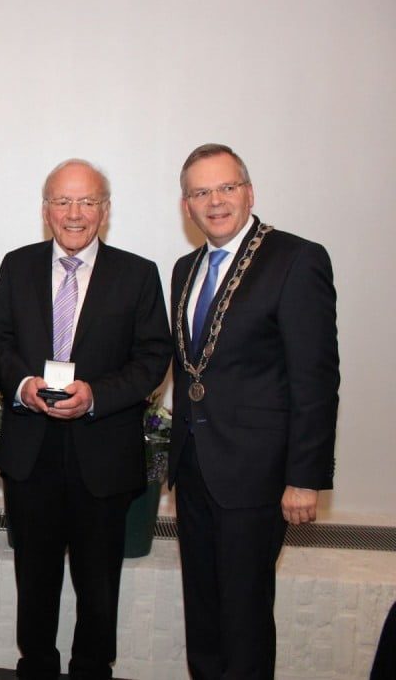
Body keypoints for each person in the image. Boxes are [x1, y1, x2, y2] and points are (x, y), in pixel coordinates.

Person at [0, 159, 172, 679]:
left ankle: (93, 670)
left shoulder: (138, 274)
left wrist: (96, 395)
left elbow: (151, 359)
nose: (75, 214)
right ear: (45, 209)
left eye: (87, 201)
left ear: (105, 210)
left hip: (103, 451)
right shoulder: (16, 265)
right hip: (32, 451)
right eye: (63, 201)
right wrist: (23, 386)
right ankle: (37, 667)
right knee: (35, 578)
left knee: (98, 585)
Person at [169, 143, 339, 679]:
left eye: (226, 187)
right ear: (187, 205)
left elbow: (316, 378)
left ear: (249, 192)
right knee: (204, 614)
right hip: (194, 470)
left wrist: (305, 478)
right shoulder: (184, 268)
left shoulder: (295, 258)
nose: (215, 201)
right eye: (201, 192)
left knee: (243, 618)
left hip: (257, 477)